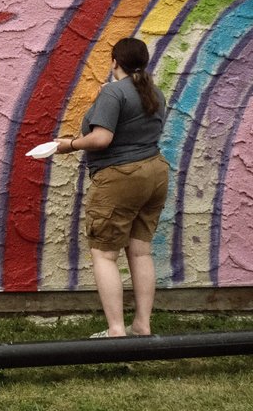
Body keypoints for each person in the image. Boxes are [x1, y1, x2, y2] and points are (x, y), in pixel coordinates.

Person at [55, 37, 169, 338]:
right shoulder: (155, 93)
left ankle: (116, 331)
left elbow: (101, 139)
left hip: (121, 176)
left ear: (115, 61)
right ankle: (142, 325)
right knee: (141, 252)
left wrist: (68, 145)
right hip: (155, 173)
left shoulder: (115, 93)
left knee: (105, 255)